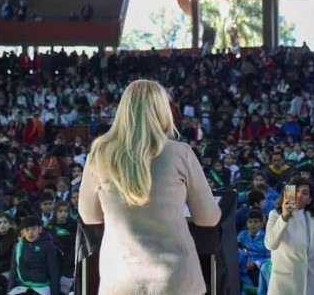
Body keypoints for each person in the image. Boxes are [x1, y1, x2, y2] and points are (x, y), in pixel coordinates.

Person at [78, 79, 221, 294]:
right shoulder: (180, 153)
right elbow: (208, 218)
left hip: (120, 279)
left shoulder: (99, 154)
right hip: (175, 279)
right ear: (163, 111)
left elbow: (90, 217)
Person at [264, 175, 314, 294]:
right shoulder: (275, 215)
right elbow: (270, 244)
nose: (299, 195)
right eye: (296, 191)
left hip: (313, 288)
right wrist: (284, 217)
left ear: (309, 200)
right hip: (284, 288)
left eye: (305, 193)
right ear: (287, 193)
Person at [7, 216, 60, 295]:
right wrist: (9, 291)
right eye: (27, 230)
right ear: (22, 232)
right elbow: (13, 271)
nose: (30, 232)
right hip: (23, 287)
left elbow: (54, 272)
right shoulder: (18, 247)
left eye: (34, 229)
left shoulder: (48, 245)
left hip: (42, 287)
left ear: (40, 229)